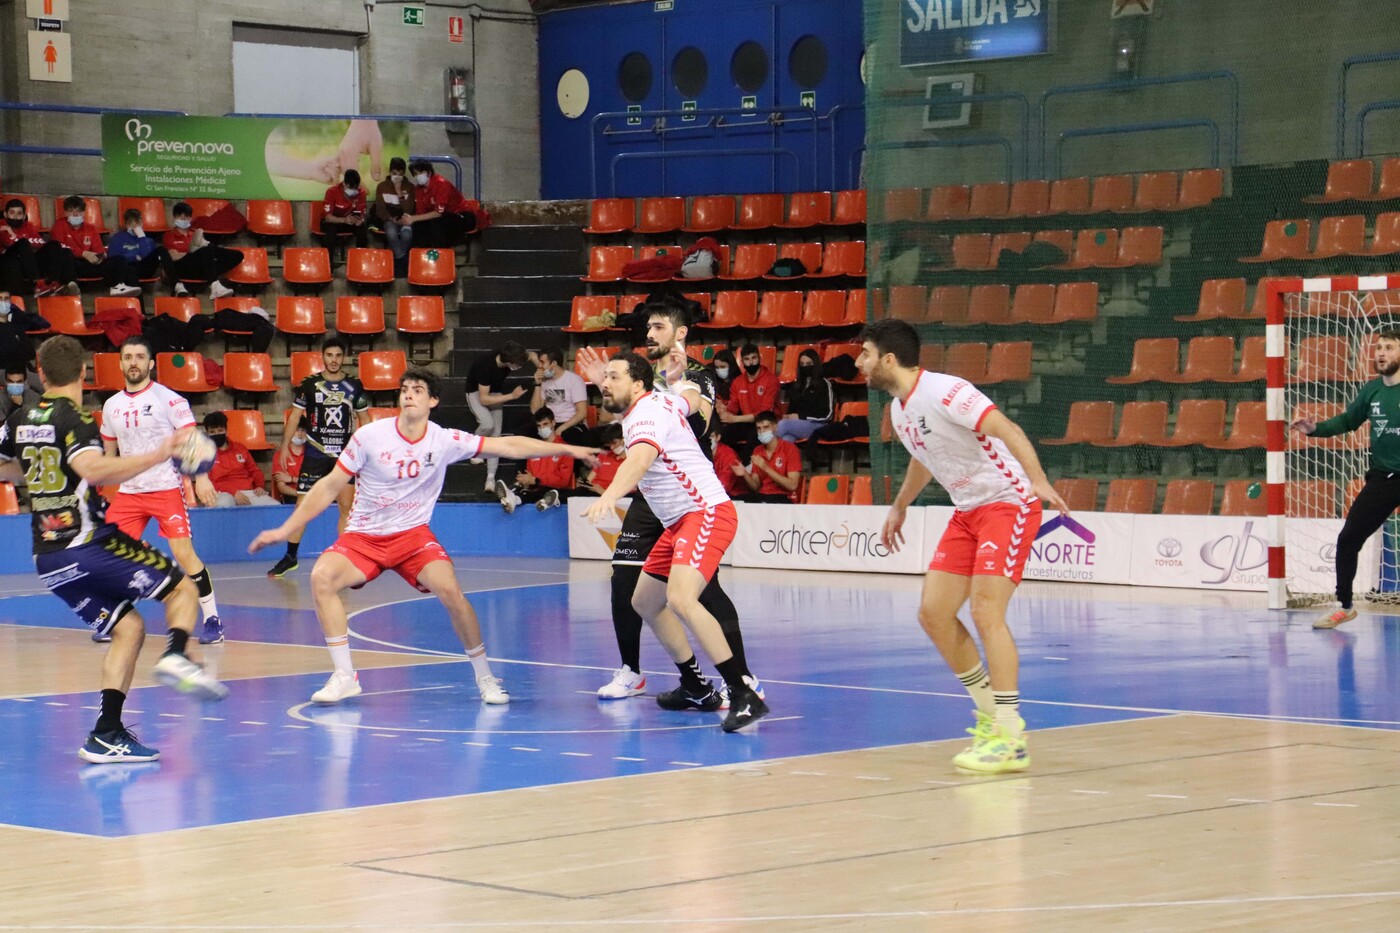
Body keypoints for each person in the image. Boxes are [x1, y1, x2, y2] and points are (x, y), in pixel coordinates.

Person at [249, 368, 598, 705]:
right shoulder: (369, 436)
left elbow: (508, 446)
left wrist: (567, 450)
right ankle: (344, 676)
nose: (409, 396)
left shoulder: (444, 440)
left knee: (451, 592)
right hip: (364, 537)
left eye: (417, 391)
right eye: (404, 390)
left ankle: (485, 677)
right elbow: (329, 486)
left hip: (412, 537)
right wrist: (285, 529)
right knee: (321, 577)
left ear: (432, 401)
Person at [0, 335, 225, 763]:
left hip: (47, 557)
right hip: (86, 544)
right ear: (84, 372)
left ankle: (106, 733)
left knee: (129, 628)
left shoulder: (19, 418)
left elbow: (7, 465)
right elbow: (94, 467)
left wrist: (35, 469)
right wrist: (158, 454)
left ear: (40, 373)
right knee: (182, 589)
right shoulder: (77, 418)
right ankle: (177, 653)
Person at [859, 319, 1069, 774]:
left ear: (888, 360)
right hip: (968, 511)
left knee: (986, 611)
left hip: (1007, 503)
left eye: (866, 354)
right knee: (933, 613)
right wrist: (899, 506)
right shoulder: (899, 409)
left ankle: (1010, 737)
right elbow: (924, 460)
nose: (860, 363)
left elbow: (1007, 428)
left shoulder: (946, 391)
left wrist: (1037, 481)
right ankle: (990, 715)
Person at [576, 293, 759, 708]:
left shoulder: (687, 380)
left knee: (691, 595)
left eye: (658, 327)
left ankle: (743, 685)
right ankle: (682, 682)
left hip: (695, 500)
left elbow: (690, 421)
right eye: (648, 327)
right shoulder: (648, 389)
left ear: (680, 333)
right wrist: (608, 382)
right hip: (660, 502)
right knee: (637, 592)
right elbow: (646, 411)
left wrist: (609, 495)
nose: (649, 333)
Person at [101, 335, 225, 645]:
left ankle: (213, 620)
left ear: (151, 363)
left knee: (184, 554)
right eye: (128, 357)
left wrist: (202, 478)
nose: (133, 362)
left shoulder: (169, 399)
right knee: (109, 554)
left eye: (140, 357)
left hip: (165, 488)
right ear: (120, 363)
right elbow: (109, 454)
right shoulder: (111, 405)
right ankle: (114, 619)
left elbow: (191, 441)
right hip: (129, 491)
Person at [1291, 327, 1400, 629]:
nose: (1381, 353)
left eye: (1389, 347)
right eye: (1379, 347)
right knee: (1348, 539)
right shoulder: (1372, 390)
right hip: (1384, 478)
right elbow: (1348, 420)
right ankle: (1344, 606)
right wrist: (1315, 430)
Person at [267, 337, 369, 578]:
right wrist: (284, 446)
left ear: (343, 358)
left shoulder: (354, 385)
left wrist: (367, 451)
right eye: (329, 355)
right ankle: (290, 557)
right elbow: (295, 416)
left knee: (346, 508)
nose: (334, 360)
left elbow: (365, 420)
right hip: (315, 454)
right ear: (322, 357)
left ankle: (345, 559)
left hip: (344, 456)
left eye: (338, 355)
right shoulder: (309, 384)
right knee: (302, 507)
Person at [467, 341, 531, 494]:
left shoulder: (508, 354)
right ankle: (472, 448)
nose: (519, 368)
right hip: (476, 392)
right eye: (518, 365)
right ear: (510, 362)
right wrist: (512, 396)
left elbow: (532, 355)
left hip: (495, 391)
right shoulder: (485, 364)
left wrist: (541, 367)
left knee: (496, 435)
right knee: (487, 424)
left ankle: (490, 478)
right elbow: (484, 399)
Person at [48, 196, 132, 297]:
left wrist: (99, 257)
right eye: (71, 211)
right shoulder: (59, 225)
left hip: (88, 265)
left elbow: (99, 250)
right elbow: (58, 247)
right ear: (66, 213)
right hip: (71, 265)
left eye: (79, 211)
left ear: (84, 212)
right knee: (66, 254)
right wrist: (83, 253)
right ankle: (72, 288)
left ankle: (118, 287)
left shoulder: (90, 228)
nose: (75, 214)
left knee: (120, 259)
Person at [496, 408, 573, 513]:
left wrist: (537, 480)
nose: (542, 428)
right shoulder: (534, 449)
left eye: (545, 424)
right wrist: (525, 480)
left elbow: (564, 482)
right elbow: (530, 475)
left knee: (541, 492)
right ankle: (512, 498)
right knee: (516, 491)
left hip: (555, 490)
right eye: (539, 426)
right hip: (534, 489)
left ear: (553, 423)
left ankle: (514, 499)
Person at [162, 202, 241, 298]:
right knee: (205, 250)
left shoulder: (194, 234)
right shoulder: (169, 235)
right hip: (181, 268)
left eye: (186, 216)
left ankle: (212, 278)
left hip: (199, 268)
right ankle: (214, 284)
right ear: (174, 217)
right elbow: (173, 256)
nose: (183, 219)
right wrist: (193, 253)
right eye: (179, 216)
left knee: (237, 255)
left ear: (190, 218)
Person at [0, 198, 76, 296]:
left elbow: (40, 243)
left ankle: (52, 283)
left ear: (24, 216)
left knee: (54, 245)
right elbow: (8, 243)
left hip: (28, 262)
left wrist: (13, 235)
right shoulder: (1, 225)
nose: (15, 217)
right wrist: (24, 240)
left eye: (19, 213)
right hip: (8, 261)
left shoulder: (28, 225)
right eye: (12, 213)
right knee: (23, 243)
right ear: (5, 214)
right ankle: (38, 284)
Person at [202, 412, 277, 507]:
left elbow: (255, 471)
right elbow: (208, 482)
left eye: (220, 430)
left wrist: (259, 486)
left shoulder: (240, 448)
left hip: (248, 492)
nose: (217, 434)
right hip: (222, 493)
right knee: (223, 503)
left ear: (226, 430)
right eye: (212, 432)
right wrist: (233, 492)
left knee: (274, 506)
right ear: (207, 433)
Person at [719, 343, 781, 456]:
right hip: (745, 422)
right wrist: (724, 411)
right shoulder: (738, 382)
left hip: (766, 423)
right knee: (721, 435)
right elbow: (733, 408)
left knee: (753, 441)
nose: (751, 362)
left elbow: (764, 413)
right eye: (747, 359)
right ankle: (727, 463)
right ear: (742, 362)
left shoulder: (770, 380)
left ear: (759, 358)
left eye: (754, 358)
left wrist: (734, 419)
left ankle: (745, 464)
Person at [401, 161, 477, 249]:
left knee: (436, 223)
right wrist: (410, 218)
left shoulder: (442, 184)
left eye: (421, 172)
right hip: (442, 218)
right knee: (419, 226)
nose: (418, 176)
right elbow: (421, 213)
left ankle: (440, 253)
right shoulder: (418, 189)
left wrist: (413, 218)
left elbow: (438, 213)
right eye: (415, 174)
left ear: (429, 172)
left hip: (462, 216)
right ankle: (420, 254)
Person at [531, 347, 591, 445]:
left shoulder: (574, 380)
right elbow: (535, 411)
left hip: (570, 424)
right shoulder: (545, 382)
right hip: (550, 424)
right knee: (524, 433)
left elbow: (582, 413)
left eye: (542, 362)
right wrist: (537, 384)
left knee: (569, 437)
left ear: (553, 363)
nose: (540, 366)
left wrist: (560, 429)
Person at [742, 410, 801, 503]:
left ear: (775, 427)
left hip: (783, 497)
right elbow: (756, 487)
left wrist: (766, 468)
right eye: (759, 428)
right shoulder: (757, 450)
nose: (762, 431)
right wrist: (744, 473)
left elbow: (792, 485)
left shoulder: (790, 449)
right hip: (763, 495)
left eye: (766, 427)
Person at [777, 348, 835, 443]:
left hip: (818, 425)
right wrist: (788, 416)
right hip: (798, 424)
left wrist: (801, 416)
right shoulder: (797, 385)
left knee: (783, 425)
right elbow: (792, 410)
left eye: (808, 364)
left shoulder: (824, 384)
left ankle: (762, 449)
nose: (805, 367)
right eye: (802, 364)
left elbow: (828, 415)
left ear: (815, 364)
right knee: (786, 439)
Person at [373, 156, 417, 277]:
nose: (397, 177)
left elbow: (409, 209)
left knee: (407, 234)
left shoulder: (410, 187)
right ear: (390, 172)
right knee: (391, 234)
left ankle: (398, 262)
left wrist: (399, 193)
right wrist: (390, 218)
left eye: (400, 174)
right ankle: (402, 262)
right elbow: (380, 209)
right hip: (390, 220)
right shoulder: (382, 186)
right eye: (394, 173)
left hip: (406, 219)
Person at [105, 208, 164, 297]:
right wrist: (134, 256)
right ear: (126, 224)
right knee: (131, 272)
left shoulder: (147, 240)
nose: (135, 226)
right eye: (131, 223)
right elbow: (114, 257)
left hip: (142, 268)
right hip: (126, 269)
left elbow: (146, 257)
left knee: (161, 250)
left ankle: (177, 285)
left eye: (138, 222)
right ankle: (139, 304)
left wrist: (141, 237)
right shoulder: (117, 238)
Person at [319, 169, 369, 255]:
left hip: (350, 222)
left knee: (362, 229)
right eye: (350, 188)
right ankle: (328, 261)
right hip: (333, 221)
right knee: (330, 231)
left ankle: (360, 258)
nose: (353, 190)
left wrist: (360, 220)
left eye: (355, 188)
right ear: (344, 183)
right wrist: (343, 220)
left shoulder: (361, 193)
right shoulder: (332, 192)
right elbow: (328, 218)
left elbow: (361, 213)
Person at [581, 423, 626, 494]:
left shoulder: (632, 459)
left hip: (610, 494)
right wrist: (584, 484)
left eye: (614, 443)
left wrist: (603, 491)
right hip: (592, 491)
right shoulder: (603, 455)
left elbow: (627, 489)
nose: (611, 447)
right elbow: (589, 479)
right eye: (610, 444)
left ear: (624, 439)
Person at [709, 422, 748, 499]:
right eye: (706, 437)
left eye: (711, 436)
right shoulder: (702, 453)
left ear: (718, 437)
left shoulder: (729, 455)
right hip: (713, 495)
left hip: (736, 497)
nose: (708, 439)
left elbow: (724, 486)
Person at [271, 426, 307, 503]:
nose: (300, 433)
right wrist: (300, 495)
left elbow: (317, 481)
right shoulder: (280, 455)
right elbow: (282, 487)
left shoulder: (313, 453)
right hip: (292, 496)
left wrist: (292, 479)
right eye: (296, 430)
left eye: (303, 430)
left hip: (313, 493)